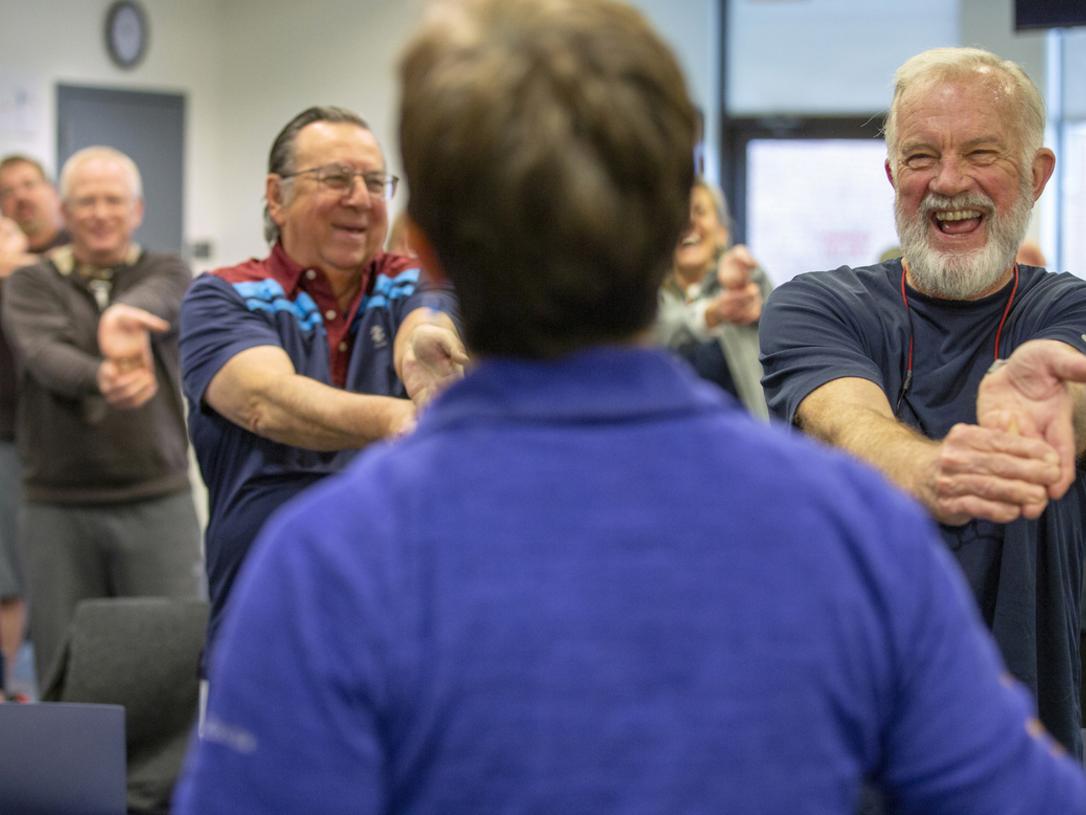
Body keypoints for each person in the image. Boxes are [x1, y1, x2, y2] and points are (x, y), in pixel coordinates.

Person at [175, 5, 1086, 813]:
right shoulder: (856, 534)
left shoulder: (327, 566)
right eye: (921, 156)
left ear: (424, 250)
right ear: (674, 230)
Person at [761, 46, 1086, 756]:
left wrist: (1064, 407)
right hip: (856, 738)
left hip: (1039, 738)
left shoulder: (1069, 308)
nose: (948, 182)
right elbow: (844, 420)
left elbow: (1079, 389)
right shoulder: (817, 305)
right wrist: (933, 473)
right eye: (919, 157)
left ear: (1036, 177)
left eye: (981, 152)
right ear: (891, 176)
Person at [179, 106, 465, 666]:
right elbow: (267, 402)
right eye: (335, 178)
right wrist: (399, 419)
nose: (360, 198)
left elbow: (424, 324)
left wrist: (425, 356)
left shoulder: (413, 279)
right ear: (276, 196)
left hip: (401, 630)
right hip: (263, 627)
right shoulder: (223, 296)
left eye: (375, 182)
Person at [1, 146, 203, 686]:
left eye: (113, 200)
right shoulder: (29, 283)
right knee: (65, 667)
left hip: (156, 495)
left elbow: (167, 295)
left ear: (136, 210)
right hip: (57, 505)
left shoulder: (167, 269)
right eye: (85, 201)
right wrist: (104, 377)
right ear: (64, 213)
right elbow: (43, 355)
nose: (99, 212)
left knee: (167, 659)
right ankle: (66, 774)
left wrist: (120, 315)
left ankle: (161, 777)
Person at [0, 156, 70, 682]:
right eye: (8, 191)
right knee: (8, 578)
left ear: (50, 192)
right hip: (7, 437)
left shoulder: (75, 256)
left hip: (64, 438)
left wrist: (14, 267)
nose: (21, 198)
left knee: (49, 577)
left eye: (29, 185)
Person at [655, 179, 771, 417]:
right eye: (679, 212)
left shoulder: (748, 281)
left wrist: (753, 301)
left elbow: (785, 330)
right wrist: (712, 314)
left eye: (700, 211)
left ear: (722, 232)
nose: (689, 222)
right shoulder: (648, 297)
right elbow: (659, 330)